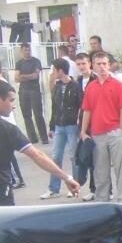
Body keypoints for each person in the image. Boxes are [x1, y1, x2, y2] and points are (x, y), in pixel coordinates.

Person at [0, 80, 77, 206]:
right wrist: (66, 177)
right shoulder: (7, 129)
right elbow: (37, 155)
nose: (13, 105)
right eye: (11, 100)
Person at [81, 51, 122, 203]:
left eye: (104, 64)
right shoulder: (91, 87)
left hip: (114, 131)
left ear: (109, 65)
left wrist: (120, 130)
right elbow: (87, 110)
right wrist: (83, 131)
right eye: (99, 64)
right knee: (100, 170)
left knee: (120, 168)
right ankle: (102, 199)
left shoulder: (117, 85)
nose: (102, 67)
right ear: (93, 66)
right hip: (97, 133)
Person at [41, 59, 82, 200]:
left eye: (54, 70)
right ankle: (53, 188)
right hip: (59, 125)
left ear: (60, 70)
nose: (53, 73)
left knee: (73, 156)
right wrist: (51, 126)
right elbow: (55, 107)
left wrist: (80, 124)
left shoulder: (75, 85)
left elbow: (81, 106)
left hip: (71, 125)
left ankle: (74, 186)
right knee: (55, 157)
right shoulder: (58, 86)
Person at [0, 58, 26, 189]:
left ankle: (17, 179)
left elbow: (11, 103)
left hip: (5, 122)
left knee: (9, 152)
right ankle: (14, 178)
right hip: (1, 122)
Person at [14, 42, 49, 145]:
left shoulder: (36, 61)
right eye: (25, 50)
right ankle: (32, 138)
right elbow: (16, 78)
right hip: (23, 90)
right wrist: (27, 76)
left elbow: (35, 76)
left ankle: (44, 137)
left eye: (28, 50)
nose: (27, 52)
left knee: (38, 114)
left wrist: (23, 76)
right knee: (26, 115)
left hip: (34, 90)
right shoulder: (19, 63)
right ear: (21, 51)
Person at [74, 52, 97, 200]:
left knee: (97, 158)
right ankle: (92, 188)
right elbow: (79, 104)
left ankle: (100, 188)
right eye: (79, 64)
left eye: (84, 63)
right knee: (86, 157)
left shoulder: (96, 79)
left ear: (89, 63)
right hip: (83, 123)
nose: (82, 67)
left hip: (96, 122)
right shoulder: (78, 81)